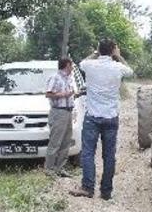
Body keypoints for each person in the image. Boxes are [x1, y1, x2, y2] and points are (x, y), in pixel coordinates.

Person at [69, 39, 133, 200]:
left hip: (92, 117)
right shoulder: (118, 67)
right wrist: (118, 56)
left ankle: (88, 188)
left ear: (99, 49)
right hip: (111, 117)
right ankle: (106, 192)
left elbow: (81, 62)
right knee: (109, 155)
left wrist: (96, 52)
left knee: (88, 153)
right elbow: (130, 72)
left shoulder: (90, 65)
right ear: (113, 51)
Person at [44, 57, 76, 177]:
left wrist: (74, 95)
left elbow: (70, 94)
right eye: (71, 65)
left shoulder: (69, 79)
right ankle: (49, 169)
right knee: (55, 141)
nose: (72, 68)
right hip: (58, 112)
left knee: (66, 141)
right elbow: (48, 94)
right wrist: (64, 94)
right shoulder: (55, 77)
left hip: (68, 112)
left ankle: (60, 168)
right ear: (67, 65)